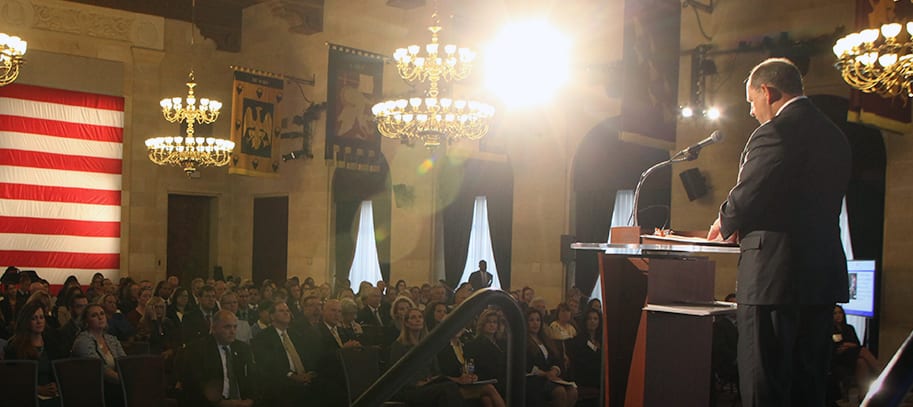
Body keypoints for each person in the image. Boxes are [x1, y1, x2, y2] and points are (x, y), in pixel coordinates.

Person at [707, 58, 852, 407]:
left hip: (773, 280)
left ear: (768, 92)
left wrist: (723, 222)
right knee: (808, 386)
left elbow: (748, 195)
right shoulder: (836, 137)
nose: (753, 113)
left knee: (764, 384)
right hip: (819, 282)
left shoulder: (775, 131)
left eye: (752, 102)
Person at [389, 308, 465, 407]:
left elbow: (436, 370)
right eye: (413, 317)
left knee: (450, 387)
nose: (418, 320)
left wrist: (430, 380)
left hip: (428, 384)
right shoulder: (399, 346)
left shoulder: (427, 345)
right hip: (408, 389)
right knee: (446, 390)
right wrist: (416, 383)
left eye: (420, 317)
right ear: (406, 323)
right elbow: (396, 373)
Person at [250, 301, 320, 407]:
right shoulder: (263, 338)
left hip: (303, 380)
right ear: (272, 316)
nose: (286, 313)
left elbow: (306, 356)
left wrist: (310, 372)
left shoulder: (296, 334)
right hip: (281, 383)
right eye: (281, 311)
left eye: (287, 310)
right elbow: (268, 365)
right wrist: (292, 376)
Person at [182, 310, 256, 407]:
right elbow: (195, 385)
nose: (232, 331)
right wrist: (220, 403)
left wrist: (250, 400)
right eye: (227, 327)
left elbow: (253, 378)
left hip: (241, 402)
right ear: (214, 328)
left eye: (235, 327)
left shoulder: (243, 348)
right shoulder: (198, 350)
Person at [5, 301, 64, 407]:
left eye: (41, 317)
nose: (39, 321)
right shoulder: (14, 346)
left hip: (53, 393)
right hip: (26, 395)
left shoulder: (51, 342)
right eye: (34, 318)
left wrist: (56, 385)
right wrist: (38, 389)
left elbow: (60, 369)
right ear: (26, 321)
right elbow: (12, 379)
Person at [72, 303, 127, 407]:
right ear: (86, 322)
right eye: (94, 315)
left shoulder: (111, 339)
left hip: (114, 385)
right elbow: (99, 368)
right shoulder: (83, 341)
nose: (100, 317)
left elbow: (124, 361)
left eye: (102, 314)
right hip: (93, 388)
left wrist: (130, 377)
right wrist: (125, 380)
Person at [526, 308, 577, 407]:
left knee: (572, 391)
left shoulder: (545, 340)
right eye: (531, 320)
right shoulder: (524, 342)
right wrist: (545, 374)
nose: (535, 323)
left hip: (550, 377)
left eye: (538, 320)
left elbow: (555, 360)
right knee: (559, 391)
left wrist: (554, 371)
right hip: (534, 379)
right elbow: (526, 365)